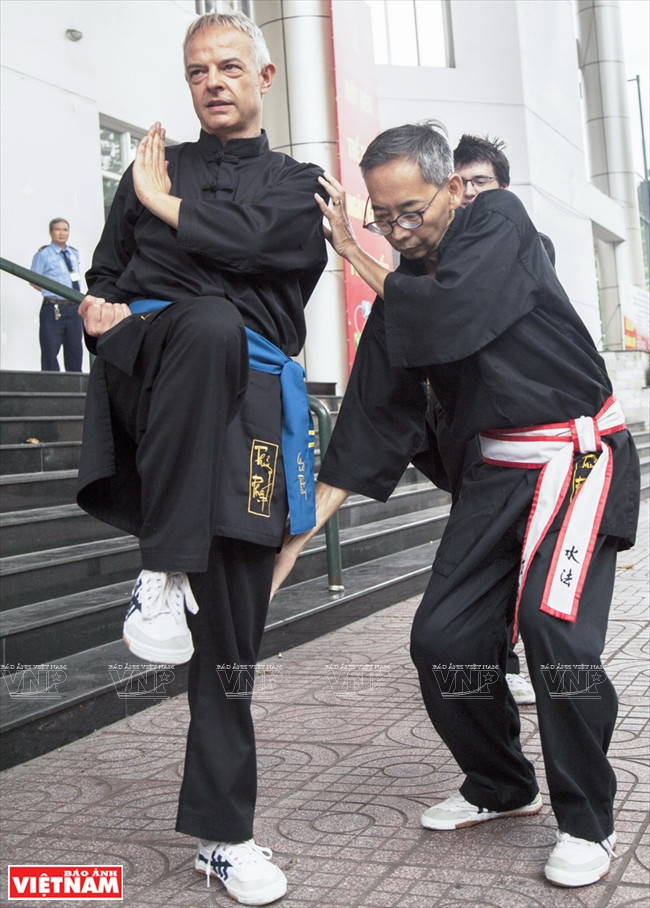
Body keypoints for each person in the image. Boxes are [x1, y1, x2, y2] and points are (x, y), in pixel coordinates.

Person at [272, 121, 640, 888]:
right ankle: (502, 785)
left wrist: (354, 252)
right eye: (382, 216)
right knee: (442, 639)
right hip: (496, 480)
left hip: (577, 460)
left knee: (554, 631)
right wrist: (293, 546)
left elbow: (447, 311)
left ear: (452, 188)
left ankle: (588, 819)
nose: (399, 229)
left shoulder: (499, 223)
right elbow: (371, 419)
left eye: (411, 210)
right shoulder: (404, 302)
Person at [76, 12, 327, 906]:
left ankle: (226, 838)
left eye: (229, 67)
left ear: (264, 76)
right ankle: (160, 570)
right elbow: (105, 274)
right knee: (214, 318)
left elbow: (272, 248)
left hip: (250, 416)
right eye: (196, 71)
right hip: (153, 374)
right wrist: (100, 308)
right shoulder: (154, 162)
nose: (212, 81)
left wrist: (166, 211)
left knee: (229, 643)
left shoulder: (299, 183)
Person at [452, 133, 538, 706]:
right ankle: (493, 659)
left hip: (533, 441)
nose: (470, 195)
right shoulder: (441, 256)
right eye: (460, 185)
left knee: (526, 553)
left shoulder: (527, 242)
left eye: (481, 183)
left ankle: (517, 657)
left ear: (502, 189)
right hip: (470, 437)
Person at [30, 218, 84, 371]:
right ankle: (50, 389)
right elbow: (33, 280)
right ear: (51, 232)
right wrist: (51, 293)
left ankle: (75, 390)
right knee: (50, 352)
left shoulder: (73, 253)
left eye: (65, 230)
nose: (62, 233)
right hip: (54, 308)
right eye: (58, 229)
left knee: (75, 350)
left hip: (73, 308)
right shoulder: (43, 254)